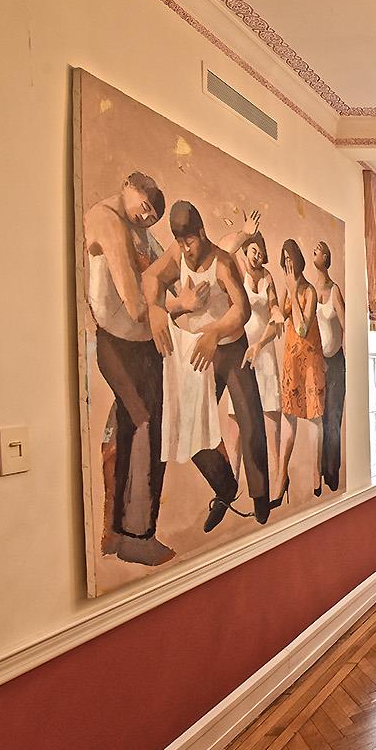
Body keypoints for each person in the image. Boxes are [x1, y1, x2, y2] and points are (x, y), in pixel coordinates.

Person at [143, 201, 272, 532]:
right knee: (189, 424)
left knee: (251, 424)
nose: (185, 248)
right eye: (180, 241)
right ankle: (225, 487)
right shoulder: (177, 254)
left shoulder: (222, 262)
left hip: (231, 349)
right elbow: (151, 277)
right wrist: (156, 308)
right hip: (202, 352)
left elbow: (242, 310)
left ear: (201, 233)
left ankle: (260, 496)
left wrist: (214, 331)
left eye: (189, 240)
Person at [84, 171, 174, 567]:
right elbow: (137, 306)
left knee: (133, 431)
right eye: (146, 207)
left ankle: (118, 531)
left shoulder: (140, 231)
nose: (147, 217)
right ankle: (137, 535)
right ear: (128, 186)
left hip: (142, 348)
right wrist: (177, 305)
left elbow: (166, 274)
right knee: (143, 428)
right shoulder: (108, 220)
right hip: (120, 345)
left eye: (153, 216)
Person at [220, 211, 285, 503]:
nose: (257, 256)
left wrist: (274, 318)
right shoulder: (237, 269)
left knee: (270, 420)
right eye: (253, 251)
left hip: (263, 352)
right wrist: (245, 232)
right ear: (246, 251)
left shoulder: (268, 276)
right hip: (241, 354)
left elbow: (273, 310)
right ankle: (232, 482)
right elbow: (224, 250)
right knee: (238, 421)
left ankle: (274, 484)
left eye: (260, 252)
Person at [277, 238, 325, 504]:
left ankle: (316, 472)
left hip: (310, 361)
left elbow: (302, 327)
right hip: (291, 360)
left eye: (290, 258)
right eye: (284, 259)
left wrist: (293, 292)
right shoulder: (289, 287)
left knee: (314, 416)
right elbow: (280, 316)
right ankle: (281, 475)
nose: (288, 264)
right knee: (289, 414)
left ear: (297, 260)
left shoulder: (309, 291)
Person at [313, 240, 344, 495]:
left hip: (335, 362)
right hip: (317, 362)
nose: (315, 252)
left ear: (326, 257)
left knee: (333, 419)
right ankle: (320, 470)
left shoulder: (334, 290)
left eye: (318, 250)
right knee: (320, 419)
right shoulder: (311, 291)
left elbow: (346, 324)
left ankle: (332, 472)